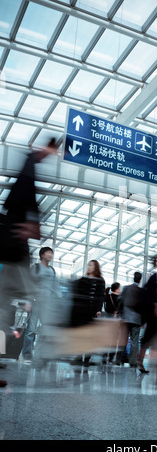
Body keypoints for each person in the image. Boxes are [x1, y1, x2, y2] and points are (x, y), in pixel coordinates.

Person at [0, 138, 59, 385]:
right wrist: (32, 222)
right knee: (3, 309)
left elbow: (19, 198)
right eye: (52, 151)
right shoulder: (30, 163)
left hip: (13, 255)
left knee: (2, 310)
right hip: (12, 255)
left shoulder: (30, 166)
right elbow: (19, 197)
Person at [20, 246, 61, 365]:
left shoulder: (52, 270)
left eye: (51, 253)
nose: (50, 255)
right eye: (48, 253)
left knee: (46, 330)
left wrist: (58, 300)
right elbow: (29, 284)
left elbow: (56, 286)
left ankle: (41, 355)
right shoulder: (36, 268)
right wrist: (28, 301)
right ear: (42, 255)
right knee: (31, 330)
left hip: (48, 305)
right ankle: (27, 355)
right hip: (36, 302)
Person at [70, 260, 105, 367]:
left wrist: (99, 309)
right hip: (82, 311)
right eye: (88, 265)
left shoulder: (100, 280)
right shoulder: (83, 279)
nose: (89, 267)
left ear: (96, 267)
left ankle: (87, 358)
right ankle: (79, 356)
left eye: (91, 265)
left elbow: (101, 296)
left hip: (93, 312)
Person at [137, 256, 157, 373]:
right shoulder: (152, 282)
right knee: (150, 339)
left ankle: (140, 361)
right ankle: (141, 362)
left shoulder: (147, 285)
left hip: (147, 313)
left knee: (147, 340)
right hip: (150, 313)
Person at [116, 272, 144, 368]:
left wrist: (119, 313)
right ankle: (132, 362)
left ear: (133, 278)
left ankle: (118, 360)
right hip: (136, 320)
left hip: (126, 318)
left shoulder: (126, 288)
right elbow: (144, 307)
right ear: (140, 280)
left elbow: (120, 301)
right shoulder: (142, 291)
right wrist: (143, 321)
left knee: (123, 339)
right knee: (134, 341)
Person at [102, 282, 121, 364]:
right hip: (116, 320)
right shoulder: (120, 298)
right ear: (117, 289)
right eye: (119, 288)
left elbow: (105, 308)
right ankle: (111, 357)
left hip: (107, 319)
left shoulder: (107, 296)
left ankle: (104, 355)